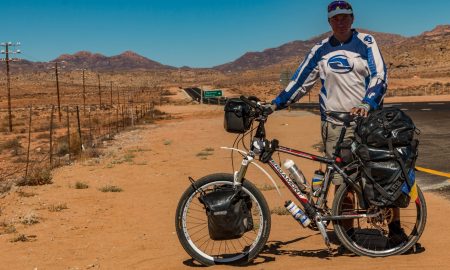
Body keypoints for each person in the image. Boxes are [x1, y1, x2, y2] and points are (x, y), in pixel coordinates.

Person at [270, 0, 406, 245]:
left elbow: (380, 76)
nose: (340, 21)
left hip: (368, 123)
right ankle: (347, 233)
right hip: (334, 125)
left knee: (380, 173)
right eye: (335, 18)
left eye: (345, 16)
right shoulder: (320, 49)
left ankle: (395, 227)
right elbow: (301, 82)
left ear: (352, 18)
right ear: (329, 22)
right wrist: (275, 103)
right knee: (341, 180)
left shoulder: (366, 42)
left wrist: (367, 103)